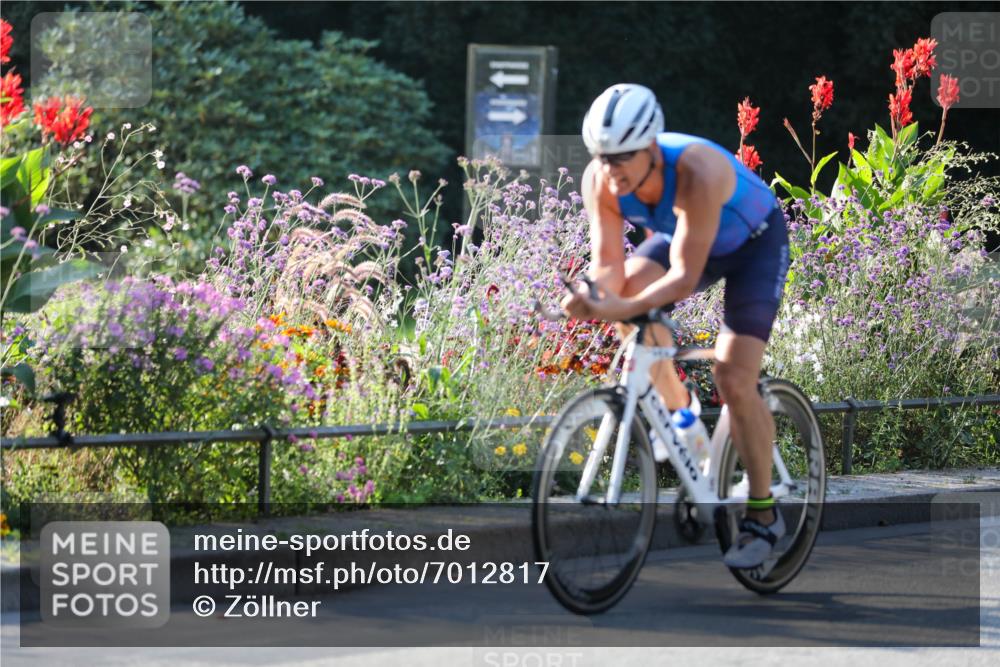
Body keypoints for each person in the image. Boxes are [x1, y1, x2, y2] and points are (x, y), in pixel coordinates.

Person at [561, 83, 790, 568]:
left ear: (650, 146)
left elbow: (684, 278)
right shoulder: (600, 179)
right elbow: (608, 268)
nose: (610, 170)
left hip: (754, 245)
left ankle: (764, 514)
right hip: (684, 237)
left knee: (733, 376)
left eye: (621, 157)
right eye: (601, 157)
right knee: (625, 299)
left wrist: (616, 305)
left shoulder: (695, 170)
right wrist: (591, 296)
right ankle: (683, 418)